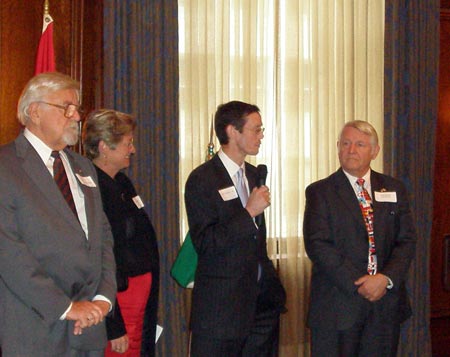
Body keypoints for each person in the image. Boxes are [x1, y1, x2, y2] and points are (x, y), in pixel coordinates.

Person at [0, 72, 117, 356]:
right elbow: (9, 253)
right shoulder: (6, 166)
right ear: (34, 111)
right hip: (36, 325)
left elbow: (102, 238)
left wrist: (103, 298)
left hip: (90, 324)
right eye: (67, 107)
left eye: (77, 108)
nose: (76, 116)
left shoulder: (83, 167)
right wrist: (66, 308)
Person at [303, 120, 417, 357]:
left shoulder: (394, 188)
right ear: (337, 147)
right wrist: (361, 283)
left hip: (384, 306)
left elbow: (406, 240)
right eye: (345, 143)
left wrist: (384, 278)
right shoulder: (320, 192)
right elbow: (318, 244)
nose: (351, 150)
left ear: (375, 151)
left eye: (360, 144)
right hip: (338, 305)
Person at [184, 100, 287, 357]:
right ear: (232, 131)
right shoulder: (202, 179)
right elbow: (206, 243)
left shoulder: (254, 175)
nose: (262, 136)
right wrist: (248, 212)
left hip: (261, 305)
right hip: (221, 310)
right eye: (256, 129)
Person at [82, 109, 160, 357]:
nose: (133, 150)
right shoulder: (92, 189)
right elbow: (98, 259)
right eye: (128, 143)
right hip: (119, 299)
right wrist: (113, 324)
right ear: (105, 146)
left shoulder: (122, 183)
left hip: (138, 296)